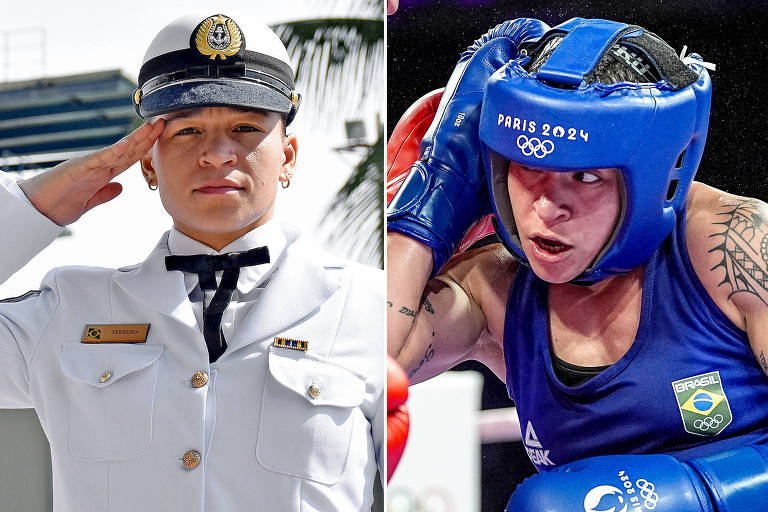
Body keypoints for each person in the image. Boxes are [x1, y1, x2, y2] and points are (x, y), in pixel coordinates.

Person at [0, 13, 383, 511]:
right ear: (146, 163)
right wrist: (33, 206)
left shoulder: (369, 307)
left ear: (288, 157)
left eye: (245, 127)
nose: (217, 154)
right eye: (186, 131)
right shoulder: (66, 313)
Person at [387, 17, 768, 511]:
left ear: (652, 177)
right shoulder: (493, 290)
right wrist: (433, 201)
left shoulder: (733, 247)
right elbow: (360, 369)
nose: (546, 208)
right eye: (527, 167)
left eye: (584, 175)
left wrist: (700, 496)